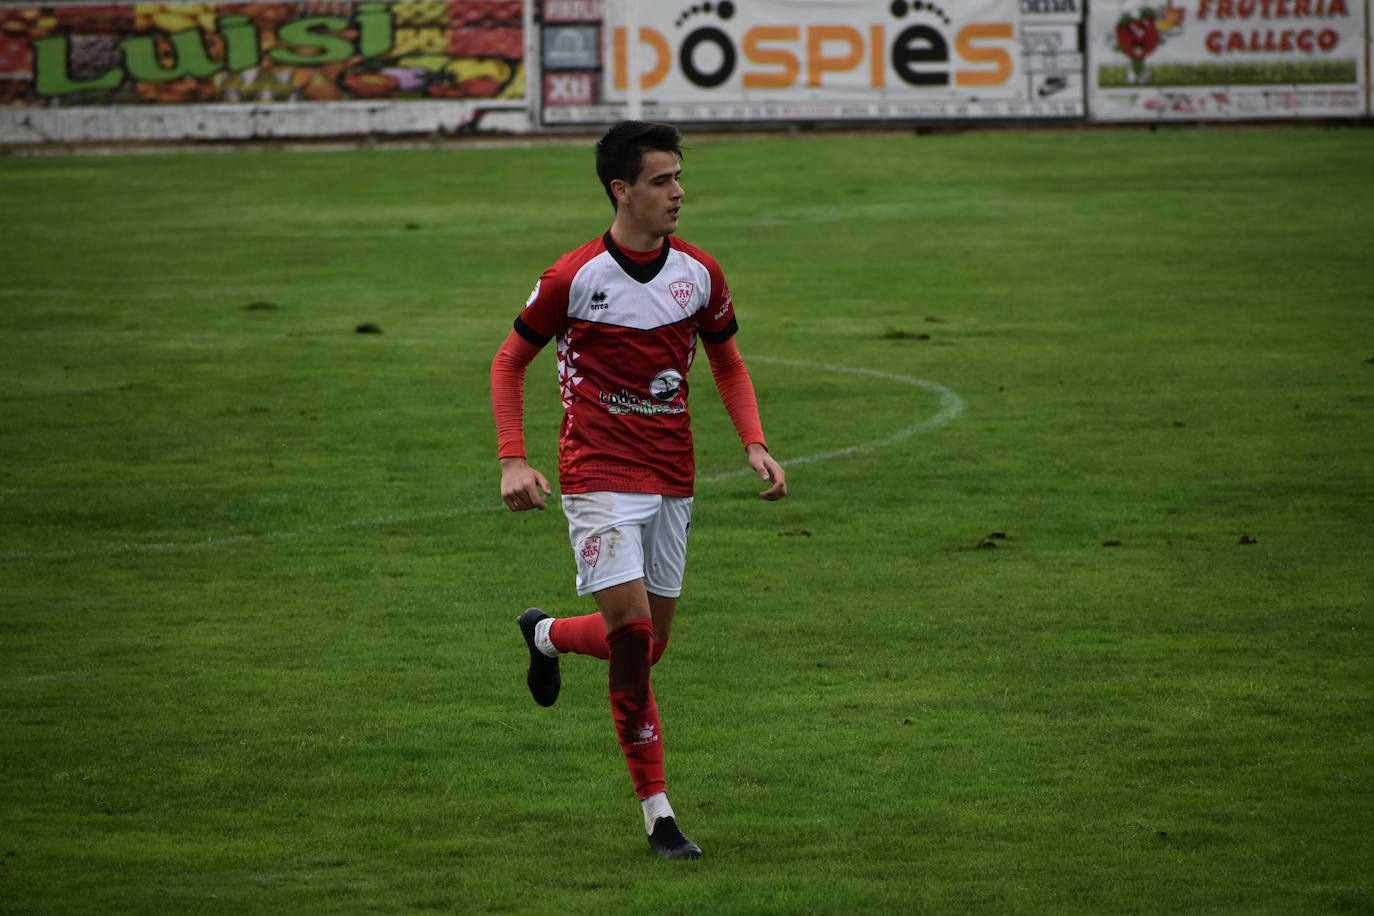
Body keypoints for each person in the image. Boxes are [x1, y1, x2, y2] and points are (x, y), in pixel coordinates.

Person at [489, 120, 787, 860]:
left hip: (671, 477)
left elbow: (728, 364)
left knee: (649, 648)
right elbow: (508, 363)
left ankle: (547, 634)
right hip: (596, 475)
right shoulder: (573, 277)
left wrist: (754, 442)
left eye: (679, 177)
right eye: (662, 180)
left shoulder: (700, 274)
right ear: (622, 190)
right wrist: (513, 459)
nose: (678, 192)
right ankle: (658, 814)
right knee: (630, 634)